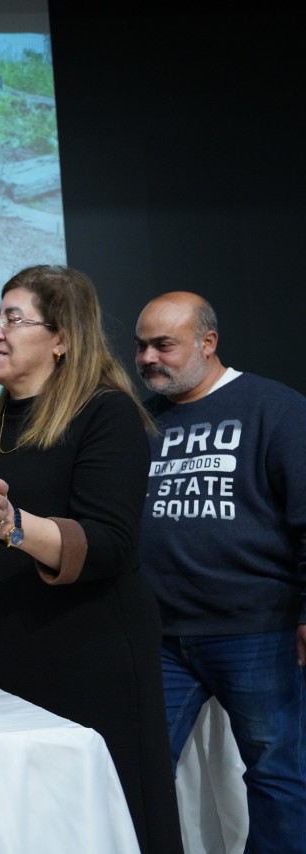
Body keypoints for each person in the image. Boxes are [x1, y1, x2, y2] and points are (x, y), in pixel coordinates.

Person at [0, 265, 182, 853]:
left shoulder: (107, 414)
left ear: (62, 338)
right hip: (5, 651)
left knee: (105, 817)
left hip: (91, 656)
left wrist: (12, 525)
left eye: (14, 319)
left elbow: (110, 542)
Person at [134, 291, 306, 852]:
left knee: (278, 775)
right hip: (159, 635)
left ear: (208, 344)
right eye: (141, 347)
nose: (148, 359)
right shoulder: (143, 422)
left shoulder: (274, 407)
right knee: (137, 772)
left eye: (164, 345)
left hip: (256, 629)